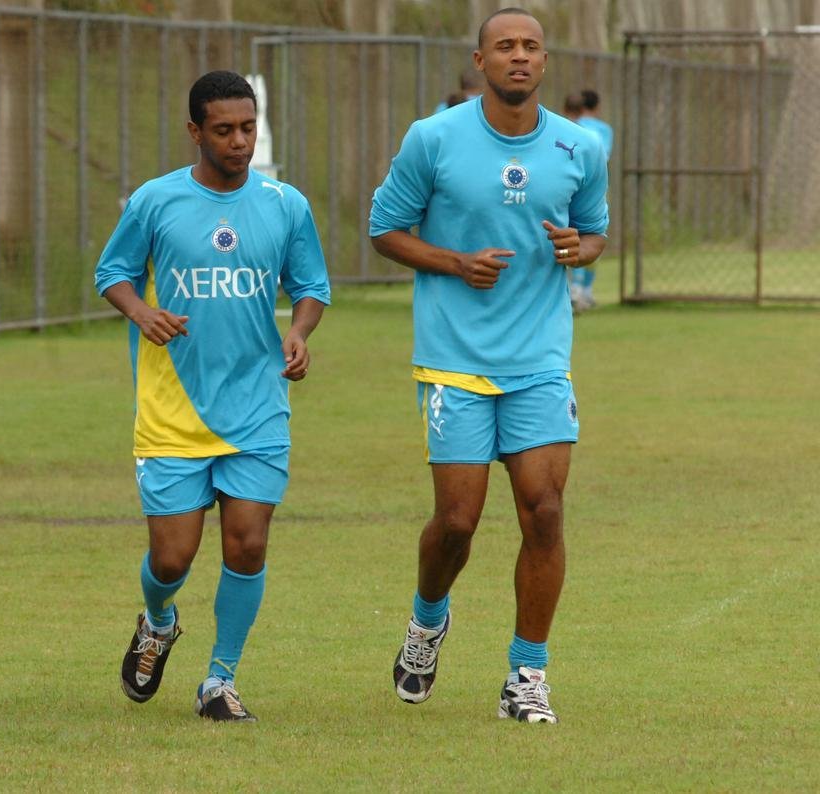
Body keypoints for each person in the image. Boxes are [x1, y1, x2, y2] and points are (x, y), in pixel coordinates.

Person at [368, 8, 608, 724]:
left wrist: (579, 249)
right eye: (505, 46)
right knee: (458, 521)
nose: (520, 57)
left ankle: (526, 676)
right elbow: (385, 230)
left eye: (531, 47)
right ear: (480, 60)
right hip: (455, 360)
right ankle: (426, 622)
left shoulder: (576, 147)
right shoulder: (432, 139)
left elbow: (595, 234)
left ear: (545, 61)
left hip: (538, 358)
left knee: (544, 511)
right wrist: (454, 263)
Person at [95, 70, 330, 723]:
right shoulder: (155, 201)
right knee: (171, 558)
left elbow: (311, 284)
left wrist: (299, 332)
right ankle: (158, 621)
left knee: (248, 544)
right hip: (174, 409)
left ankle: (219, 681)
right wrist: (142, 312)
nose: (239, 141)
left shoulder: (285, 203)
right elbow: (111, 273)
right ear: (195, 131)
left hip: (257, 402)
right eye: (224, 130)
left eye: (248, 128)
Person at [571, 88, 614, 311]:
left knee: (568, 235)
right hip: (592, 188)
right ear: (597, 107)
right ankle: (584, 289)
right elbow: (602, 157)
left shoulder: (567, 125)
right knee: (591, 235)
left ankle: (576, 288)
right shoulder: (603, 130)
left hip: (566, 186)